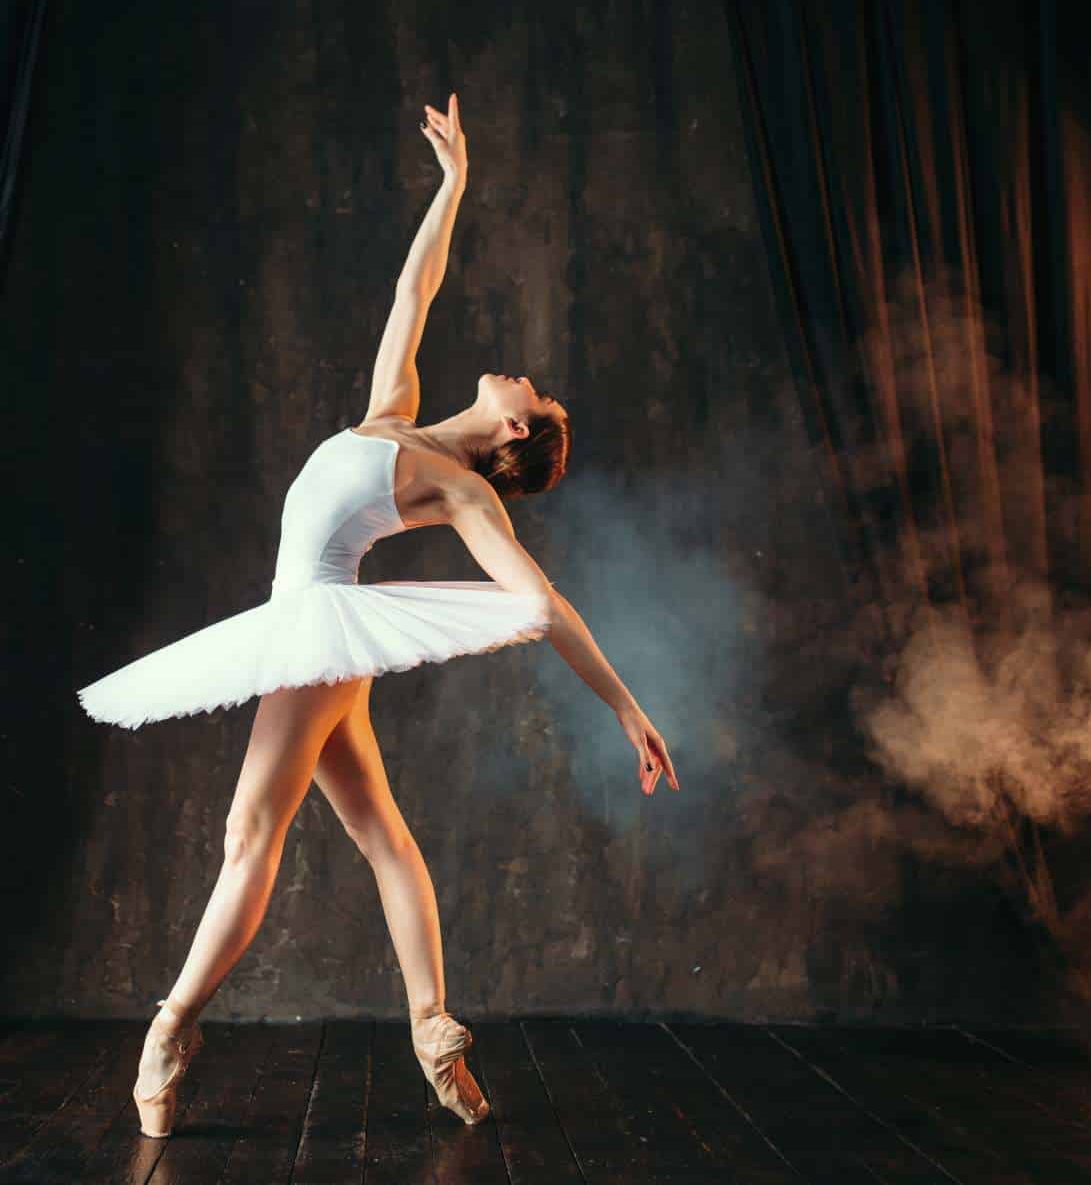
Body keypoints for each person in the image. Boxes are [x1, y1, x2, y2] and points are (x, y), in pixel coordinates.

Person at [76, 93, 678, 1138]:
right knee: (381, 835)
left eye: (533, 389)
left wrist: (624, 707)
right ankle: (433, 1025)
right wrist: (454, 184)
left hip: (318, 624)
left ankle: (171, 1024)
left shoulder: (464, 491)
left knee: (248, 831)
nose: (523, 374)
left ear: (516, 426)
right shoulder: (391, 415)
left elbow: (543, 603)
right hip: (312, 622)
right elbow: (416, 286)